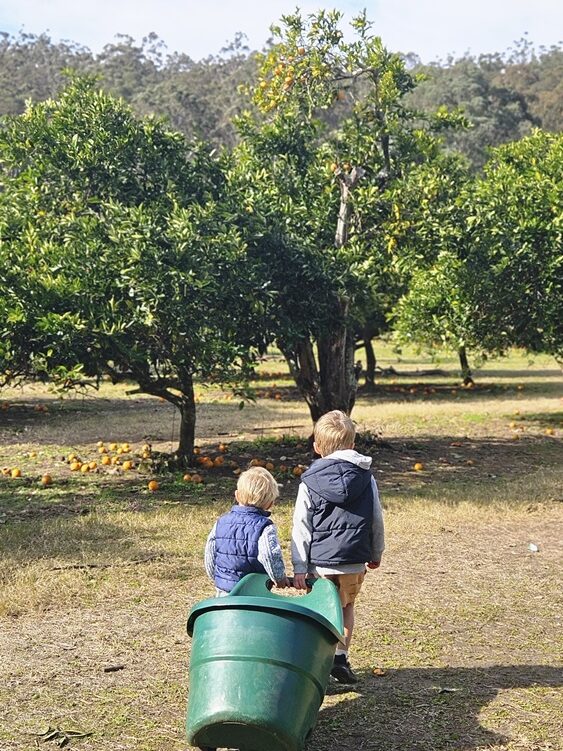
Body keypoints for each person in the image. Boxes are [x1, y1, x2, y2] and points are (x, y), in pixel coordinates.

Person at [291, 410, 384, 684]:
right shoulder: (366, 478)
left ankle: (317, 662)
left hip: (320, 563)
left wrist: (299, 566)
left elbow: (301, 527)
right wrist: (375, 551)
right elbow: (376, 518)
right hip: (354, 560)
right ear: (352, 445)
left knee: (320, 610)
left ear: (317, 447)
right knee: (347, 606)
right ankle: (340, 656)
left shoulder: (309, 481)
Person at [205, 466, 290, 595]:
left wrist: (218, 577)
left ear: (237, 495)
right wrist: (279, 578)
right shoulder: (264, 527)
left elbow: (210, 554)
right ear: (270, 503)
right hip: (254, 592)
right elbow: (270, 555)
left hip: (224, 593)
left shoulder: (221, 522)